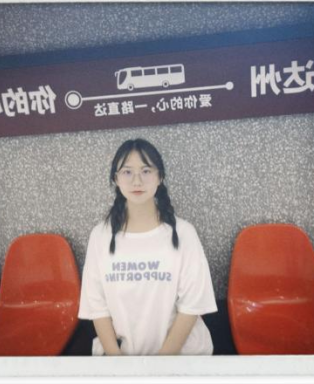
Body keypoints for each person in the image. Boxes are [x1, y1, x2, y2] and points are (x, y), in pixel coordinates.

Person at [78, 138, 218, 356]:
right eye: (127, 172)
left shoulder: (184, 233)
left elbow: (192, 306)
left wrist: (160, 365)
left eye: (146, 171)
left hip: (181, 358)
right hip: (121, 358)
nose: (137, 181)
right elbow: (97, 307)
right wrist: (117, 362)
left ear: (159, 177)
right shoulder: (100, 236)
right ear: (115, 179)